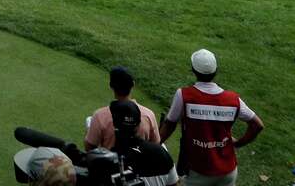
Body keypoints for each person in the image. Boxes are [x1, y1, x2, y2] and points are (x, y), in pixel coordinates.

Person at [159, 49, 263, 186]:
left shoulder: (184, 95)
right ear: (216, 71)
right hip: (228, 171)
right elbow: (257, 125)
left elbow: (170, 124)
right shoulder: (233, 99)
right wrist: (238, 143)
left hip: (198, 172)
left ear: (193, 70)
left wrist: (154, 144)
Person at [86, 67, 160, 151]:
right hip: (139, 163)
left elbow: (89, 147)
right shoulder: (149, 115)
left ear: (111, 86)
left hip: (110, 163)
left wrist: (88, 130)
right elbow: (156, 145)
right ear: (133, 84)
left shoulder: (99, 116)